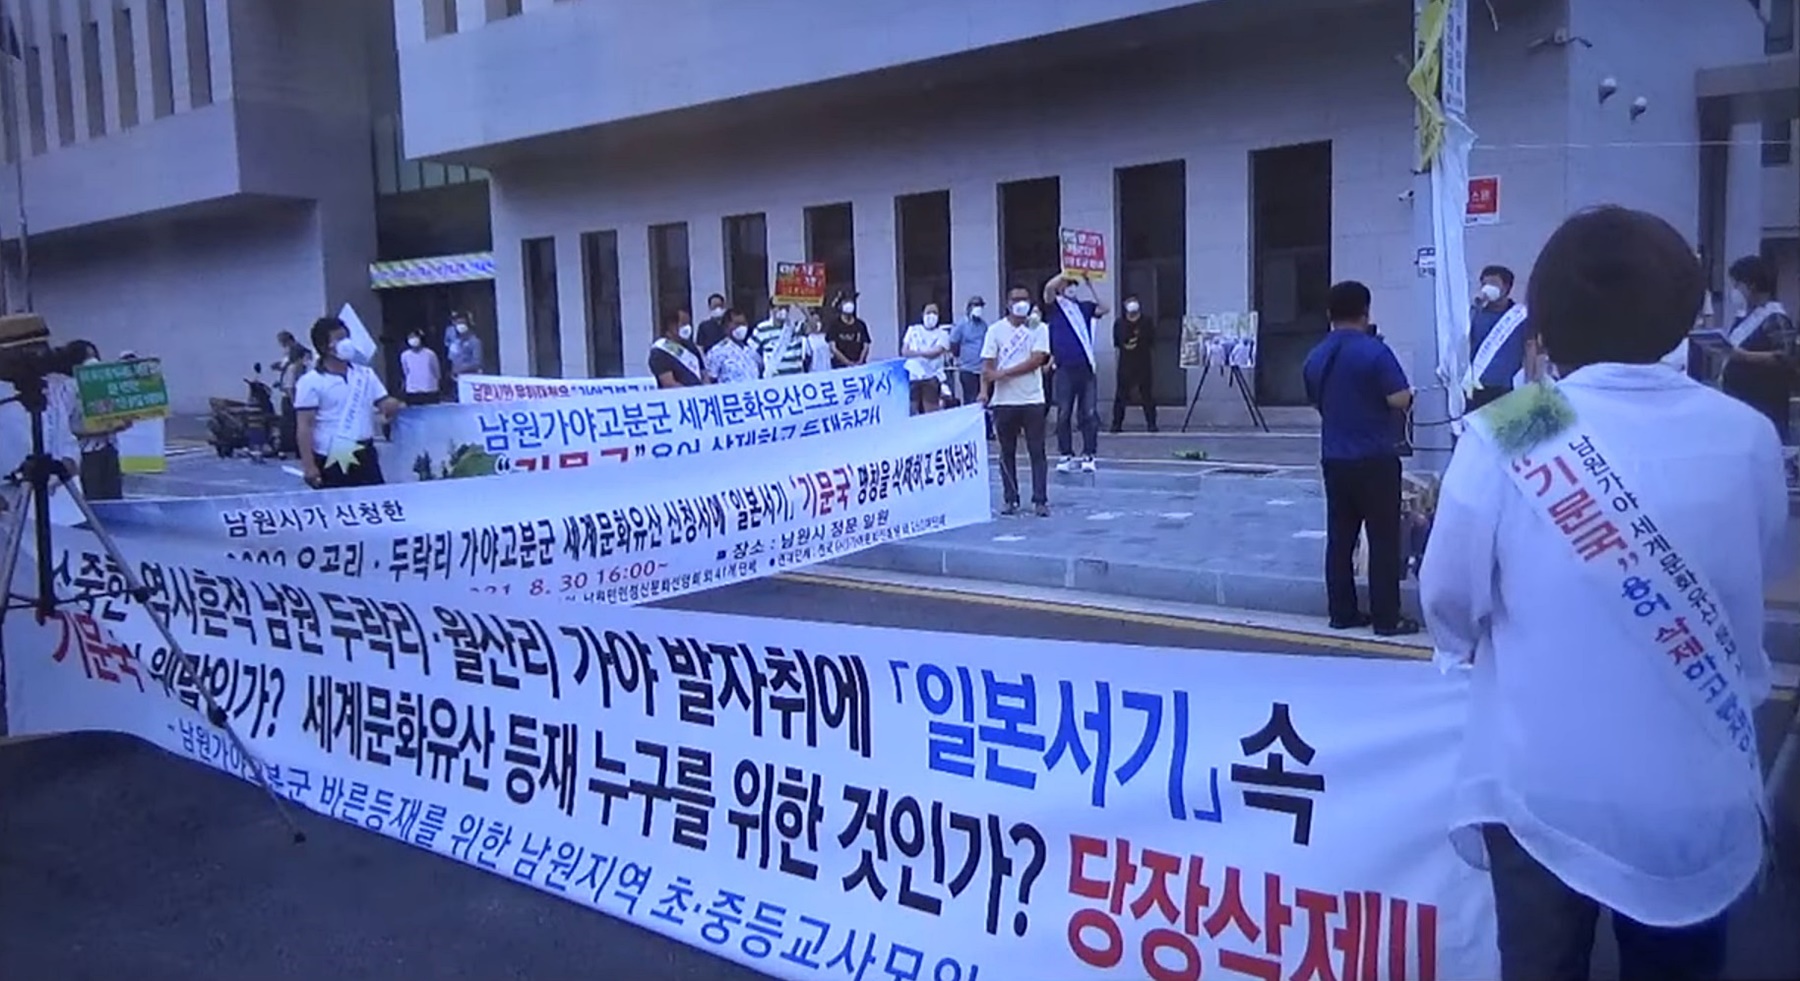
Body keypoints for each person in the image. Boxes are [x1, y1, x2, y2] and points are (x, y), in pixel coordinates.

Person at [1421, 206, 1788, 981]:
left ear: (1547, 319)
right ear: (1683, 309)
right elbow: (1750, 559)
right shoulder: (1745, 433)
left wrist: (1468, 644)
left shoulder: (1521, 423)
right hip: (1696, 786)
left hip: (1541, 784)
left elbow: (1449, 595)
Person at [1301, 280, 1420, 637]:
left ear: (1329, 314)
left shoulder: (1316, 355)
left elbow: (1315, 399)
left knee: (1340, 538)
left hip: (1334, 457)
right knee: (1383, 539)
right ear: (1366, 312)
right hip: (1375, 458)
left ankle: (1342, 612)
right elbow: (1399, 398)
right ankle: (1386, 618)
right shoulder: (1374, 351)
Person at [295, 316, 404, 489]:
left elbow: (383, 402)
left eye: (346, 337)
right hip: (334, 452)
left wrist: (394, 404)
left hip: (365, 449)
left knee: (375, 498)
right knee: (340, 500)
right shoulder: (310, 382)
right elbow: (305, 425)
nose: (346, 343)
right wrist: (309, 466)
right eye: (339, 339)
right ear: (324, 347)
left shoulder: (365, 374)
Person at [981, 285, 1053, 517]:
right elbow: (987, 365)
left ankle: (1040, 500)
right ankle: (1010, 498)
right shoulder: (995, 330)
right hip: (1004, 401)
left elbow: (1037, 360)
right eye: (1016, 299)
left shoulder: (1038, 328)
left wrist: (1003, 374)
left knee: (1037, 451)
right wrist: (984, 391)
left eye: (1025, 299)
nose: (1021, 303)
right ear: (1007, 303)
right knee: (1006, 452)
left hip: (1032, 398)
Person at [1719, 254, 1796, 464]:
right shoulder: (1744, 317)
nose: (1735, 290)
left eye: (1737, 284)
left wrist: (1744, 356)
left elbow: (1785, 357)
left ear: (1751, 284)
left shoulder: (1775, 317)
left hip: (1763, 400)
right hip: (1738, 398)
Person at [0, 315, 79, 488]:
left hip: (61, 497)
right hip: (12, 496)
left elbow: (67, 442)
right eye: (34, 350)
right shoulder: (4, 398)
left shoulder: (52, 390)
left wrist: (67, 464)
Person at [1043, 273, 1107, 472]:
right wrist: (1064, 273)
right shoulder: (1056, 307)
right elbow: (1048, 290)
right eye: (1067, 284)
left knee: (1089, 413)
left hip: (1085, 369)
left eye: (1073, 284)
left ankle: (1089, 454)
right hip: (1064, 369)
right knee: (1064, 413)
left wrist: (1090, 285)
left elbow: (1105, 308)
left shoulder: (1084, 307)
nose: (1071, 288)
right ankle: (1066, 454)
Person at [59, 340, 130, 501]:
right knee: (93, 499)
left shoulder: (105, 384)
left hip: (110, 449)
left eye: (94, 356)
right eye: (87, 357)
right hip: (86, 454)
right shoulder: (68, 387)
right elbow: (65, 426)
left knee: (114, 498)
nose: (93, 361)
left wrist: (122, 422)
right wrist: (99, 429)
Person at [1465, 264, 1534, 411]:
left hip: (1506, 389)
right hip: (1475, 388)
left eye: (1493, 283)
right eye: (1484, 284)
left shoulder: (1520, 316)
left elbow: (1531, 349)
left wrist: (1530, 382)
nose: (1487, 288)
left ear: (1507, 287)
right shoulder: (1473, 315)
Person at [1110, 293, 1157, 433]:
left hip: (1143, 362)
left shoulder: (1146, 322)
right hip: (1126, 363)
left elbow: (1151, 341)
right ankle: (1116, 424)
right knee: (1121, 395)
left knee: (1147, 394)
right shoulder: (1120, 323)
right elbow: (1117, 343)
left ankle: (1151, 424)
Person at [901, 303, 952, 413]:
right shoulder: (913, 330)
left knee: (930, 410)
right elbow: (905, 351)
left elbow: (935, 352)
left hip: (932, 377)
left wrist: (915, 353)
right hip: (913, 377)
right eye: (928, 312)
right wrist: (925, 353)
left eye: (934, 313)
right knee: (912, 409)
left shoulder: (943, 334)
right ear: (923, 314)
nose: (931, 315)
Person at [274, 330, 310, 457]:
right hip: (291, 393)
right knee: (291, 423)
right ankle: (294, 449)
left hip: (292, 396)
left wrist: (293, 400)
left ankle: (291, 449)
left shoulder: (295, 363)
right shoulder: (292, 361)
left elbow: (291, 384)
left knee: (290, 423)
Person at [947, 296, 989, 407]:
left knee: (983, 399)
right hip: (967, 369)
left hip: (981, 370)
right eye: (976, 305)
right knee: (970, 399)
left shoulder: (983, 325)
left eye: (980, 306)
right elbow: (953, 343)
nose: (978, 308)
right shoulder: (961, 325)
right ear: (969, 307)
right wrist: (959, 357)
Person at [649, 309, 705, 388]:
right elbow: (669, 383)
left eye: (688, 324)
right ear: (672, 326)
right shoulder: (659, 352)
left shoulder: (690, 346)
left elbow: (703, 373)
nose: (687, 327)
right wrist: (691, 392)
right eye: (683, 324)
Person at [705, 309, 761, 385]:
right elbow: (710, 380)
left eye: (744, 324)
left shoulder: (752, 351)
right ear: (726, 327)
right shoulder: (717, 352)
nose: (741, 327)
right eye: (737, 324)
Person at [752, 305, 808, 377]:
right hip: (774, 379)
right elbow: (751, 353)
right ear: (771, 309)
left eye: (785, 308)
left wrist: (804, 310)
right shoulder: (761, 329)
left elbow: (814, 327)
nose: (783, 311)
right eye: (780, 307)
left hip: (796, 378)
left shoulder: (796, 326)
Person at [826, 293, 872, 369]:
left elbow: (866, 345)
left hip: (860, 366)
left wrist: (860, 361)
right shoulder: (834, 326)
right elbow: (833, 348)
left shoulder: (860, 324)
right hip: (840, 367)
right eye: (846, 302)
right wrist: (848, 363)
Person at [399, 329, 443, 406]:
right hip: (412, 390)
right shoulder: (405, 355)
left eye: (415, 337)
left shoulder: (430, 354)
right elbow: (405, 371)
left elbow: (436, 371)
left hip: (429, 389)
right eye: (410, 337)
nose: (413, 339)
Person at [445, 313, 483, 382]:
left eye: (462, 323)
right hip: (457, 378)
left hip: (471, 377)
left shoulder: (474, 341)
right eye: (458, 323)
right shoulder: (455, 343)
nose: (460, 326)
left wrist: (461, 369)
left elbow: (477, 362)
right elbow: (452, 359)